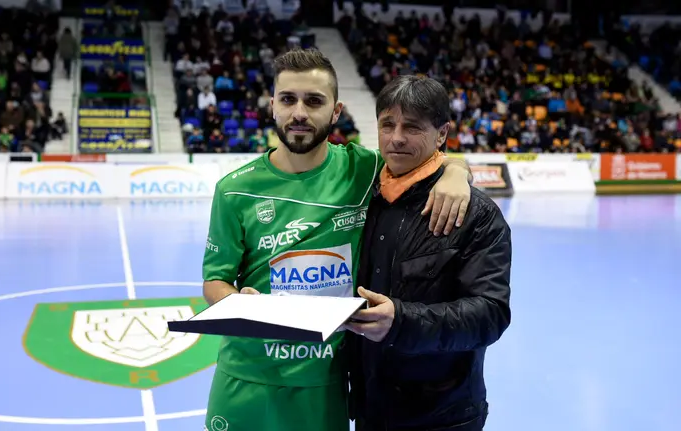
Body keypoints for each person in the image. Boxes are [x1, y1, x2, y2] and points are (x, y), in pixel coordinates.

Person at [201, 48, 474, 431]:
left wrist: (456, 172)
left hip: (326, 380)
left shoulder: (364, 169)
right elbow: (215, 281)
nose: (299, 112)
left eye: (313, 101)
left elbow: (427, 157)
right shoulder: (234, 191)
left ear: (335, 110)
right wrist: (242, 307)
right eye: (287, 99)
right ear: (272, 106)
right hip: (247, 378)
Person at [344, 75, 512, 431]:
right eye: (387, 124)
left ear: (441, 134)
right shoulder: (364, 195)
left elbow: (490, 314)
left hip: (442, 416)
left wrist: (401, 321)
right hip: (370, 408)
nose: (397, 137)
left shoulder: (475, 213)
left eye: (413, 126)